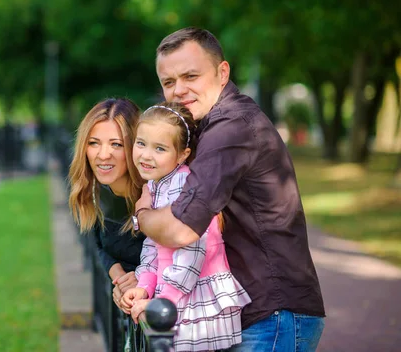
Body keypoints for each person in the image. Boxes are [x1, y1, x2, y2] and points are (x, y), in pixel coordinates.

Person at [134, 28, 325, 351]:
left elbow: (182, 230)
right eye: (169, 82)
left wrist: (142, 212)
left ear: (222, 73)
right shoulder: (205, 126)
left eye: (191, 75)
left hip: (273, 315)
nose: (179, 90)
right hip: (259, 315)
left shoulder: (230, 127)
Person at [121, 102, 251, 351]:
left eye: (159, 148)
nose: (146, 155)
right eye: (141, 143)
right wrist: (144, 286)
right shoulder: (156, 184)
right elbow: (152, 242)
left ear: (182, 154)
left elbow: (191, 250)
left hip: (193, 294)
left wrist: (163, 303)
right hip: (174, 291)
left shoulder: (182, 185)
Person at [68, 98, 146, 308]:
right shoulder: (96, 191)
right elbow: (99, 244)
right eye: (94, 143)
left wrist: (143, 279)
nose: (103, 155)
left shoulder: (158, 196)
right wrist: (119, 277)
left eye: (116, 144)